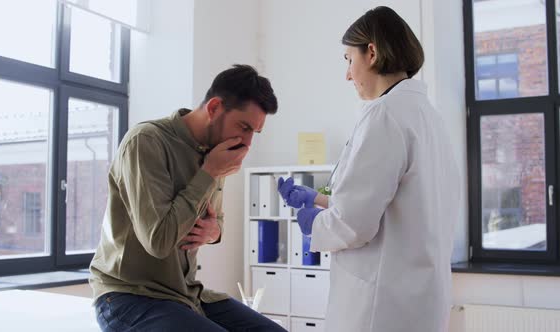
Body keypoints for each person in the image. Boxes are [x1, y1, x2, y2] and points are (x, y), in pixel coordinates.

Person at [278, 7, 461, 332]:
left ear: (372, 52)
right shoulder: (428, 116)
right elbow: (398, 206)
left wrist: (313, 223)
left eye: (349, 59)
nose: (348, 74)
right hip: (420, 300)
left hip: (381, 305)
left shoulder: (384, 116)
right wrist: (321, 200)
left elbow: (354, 224)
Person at [90, 64, 286, 331]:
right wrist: (209, 172)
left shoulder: (216, 152)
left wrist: (214, 231)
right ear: (215, 107)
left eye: (254, 132)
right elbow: (158, 241)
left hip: (187, 294)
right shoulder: (146, 141)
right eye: (243, 127)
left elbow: (217, 224)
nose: (247, 143)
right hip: (128, 296)